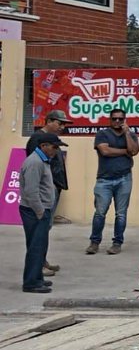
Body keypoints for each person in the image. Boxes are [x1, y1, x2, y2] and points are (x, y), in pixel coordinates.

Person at [19, 133, 66, 294]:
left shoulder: (42, 160)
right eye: (54, 147)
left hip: (40, 210)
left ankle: (37, 278)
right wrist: (40, 212)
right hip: (34, 211)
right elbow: (31, 191)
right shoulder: (35, 162)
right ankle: (31, 282)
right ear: (44, 146)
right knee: (35, 247)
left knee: (40, 247)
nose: (56, 150)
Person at [26, 109, 71, 275]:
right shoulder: (37, 139)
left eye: (64, 124)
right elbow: (35, 169)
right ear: (50, 121)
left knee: (45, 228)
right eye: (60, 123)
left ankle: (42, 261)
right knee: (39, 230)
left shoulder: (50, 139)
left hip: (53, 187)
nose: (62, 127)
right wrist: (46, 189)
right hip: (44, 191)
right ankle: (37, 265)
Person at [88, 108, 139, 255]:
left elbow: (134, 151)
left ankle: (117, 243)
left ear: (125, 120)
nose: (117, 121)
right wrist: (124, 152)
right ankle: (94, 242)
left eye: (120, 119)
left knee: (121, 214)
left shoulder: (131, 135)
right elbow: (105, 151)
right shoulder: (102, 134)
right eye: (114, 119)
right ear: (109, 120)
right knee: (100, 213)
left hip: (124, 178)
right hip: (104, 180)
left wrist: (127, 133)